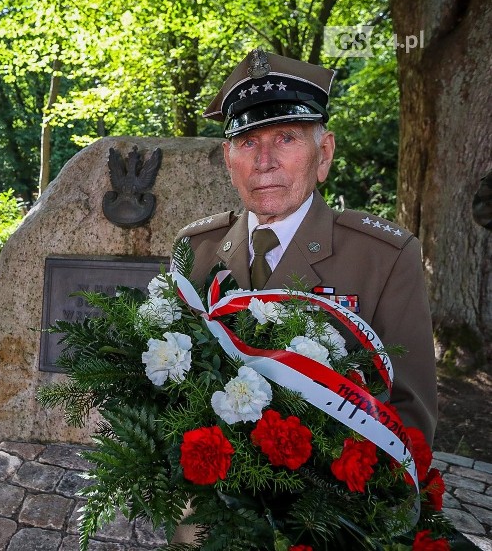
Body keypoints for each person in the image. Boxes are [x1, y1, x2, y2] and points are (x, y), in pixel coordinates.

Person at [175, 49, 438, 445]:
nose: (265, 162)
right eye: (247, 141)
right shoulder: (195, 249)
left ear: (324, 154)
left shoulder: (383, 258)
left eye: (286, 138)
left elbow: (409, 419)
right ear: (230, 161)